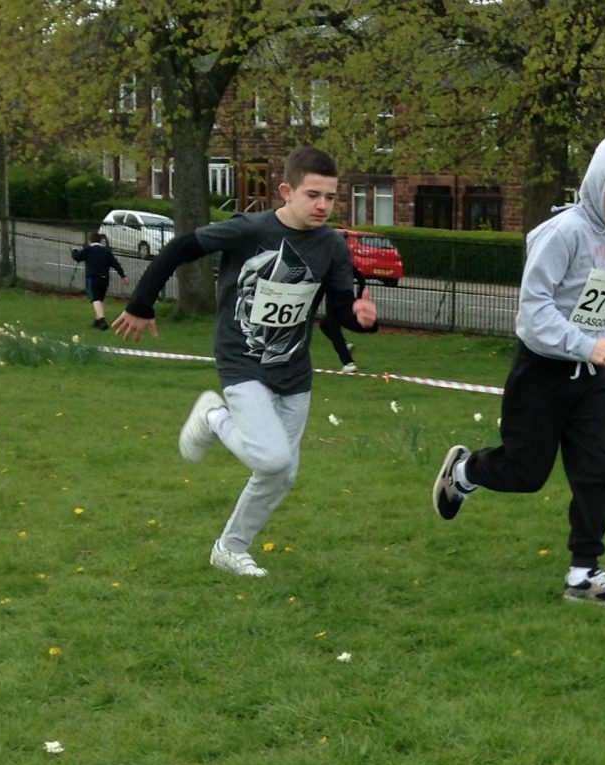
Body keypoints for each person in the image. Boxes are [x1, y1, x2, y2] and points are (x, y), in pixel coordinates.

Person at [111, 146, 379, 578]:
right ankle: (214, 416)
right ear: (286, 191)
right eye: (313, 195)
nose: (323, 205)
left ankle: (230, 548)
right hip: (242, 361)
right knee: (272, 459)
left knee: (282, 474)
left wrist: (361, 319)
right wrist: (142, 303)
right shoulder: (251, 229)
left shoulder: (331, 245)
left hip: (294, 370)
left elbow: (339, 310)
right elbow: (180, 248)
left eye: (330, 197)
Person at [432, 136, 605, 607]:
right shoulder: (564, 233)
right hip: (542, 371)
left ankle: (584, 574)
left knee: (600, 467)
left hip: (592, 376)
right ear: (600, 188)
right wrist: (583, 345)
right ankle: (465, 471)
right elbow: (533, 311)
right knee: (526, 472)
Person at [71, 232, 127, 330]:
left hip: (93, 277)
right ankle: (97, 321)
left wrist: (74, 251)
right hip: (105, 278)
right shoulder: (106, 251)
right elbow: (115, 263)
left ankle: (102, 320)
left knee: (95, 299)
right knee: (100, 299)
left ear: (90, 240)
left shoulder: (88, 249)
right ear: (100, 240)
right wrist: (123, 275)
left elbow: (78, 258)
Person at [317, 265, 365, 373]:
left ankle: (348, 363)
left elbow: (321, 290)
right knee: (324, 325)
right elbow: (361, 278)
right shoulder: (345, 265)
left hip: (334, 306)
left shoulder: (327, 268)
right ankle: (346, 345)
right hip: (348, 303)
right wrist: (359, 298)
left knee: (335, 333)